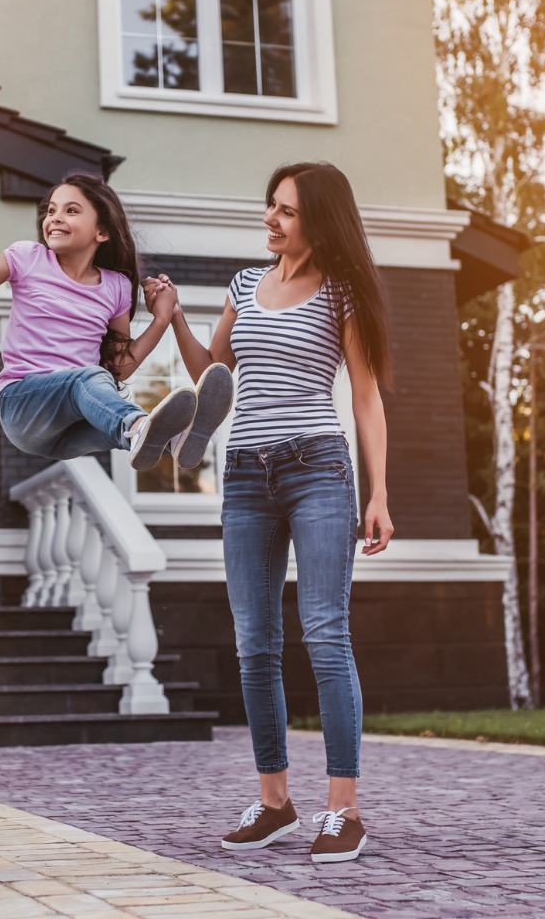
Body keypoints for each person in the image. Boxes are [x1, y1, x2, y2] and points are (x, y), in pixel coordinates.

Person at [151, 161, 393, 864]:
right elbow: (210, 376)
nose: (270, 219)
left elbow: (368, 399)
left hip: (318, 467)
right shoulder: (242, 286)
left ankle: (343, 810)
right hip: (247, 478)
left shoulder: (342, 294)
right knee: (254, 642)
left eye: (284, 210)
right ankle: (276, 801)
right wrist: (171, 322)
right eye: (271, 207)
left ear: (317, 220)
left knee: (324, 633)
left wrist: (378, 494)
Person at [0, 170, 233, 469]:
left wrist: (162, 320)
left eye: (71, 210)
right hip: (22, 406)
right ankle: (138, 426)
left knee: (107, 404)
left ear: (102, 231)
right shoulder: (27, 258)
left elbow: (119, 368)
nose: (55, 217)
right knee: (90, 380)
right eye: (51, 210)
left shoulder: (117, 286)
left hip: (71, 427)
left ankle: (175, 439)